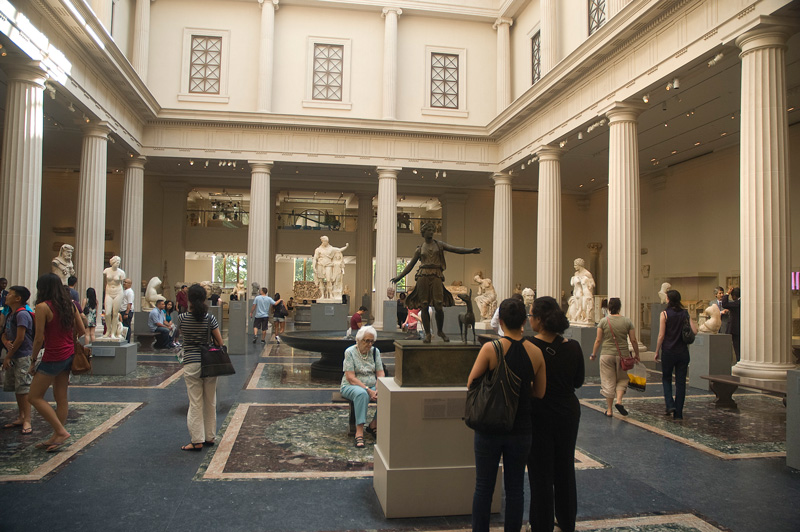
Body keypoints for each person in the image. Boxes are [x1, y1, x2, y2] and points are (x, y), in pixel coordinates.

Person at [468, 298, 546, 532]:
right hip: (521, 427)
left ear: (500, 321)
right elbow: (539, 392)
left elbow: (471, 382)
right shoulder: (536, 352)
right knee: (515, 489)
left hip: (490, 426)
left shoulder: (491, 349)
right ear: (524, 321)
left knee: (483, 486)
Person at [526, 297, 585, 532]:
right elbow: (579, 382)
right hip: (567, 412)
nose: (530, 320)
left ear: (539, 319)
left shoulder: (529, 346)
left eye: (531, 316)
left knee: (540, 471)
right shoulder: (572, 346)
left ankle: (540, 524)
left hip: (539, 412)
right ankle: (567, 521)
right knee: (564, 468)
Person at [390, 222, 481, 343]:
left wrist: (470, 251)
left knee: (438, 305)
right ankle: (427, 334)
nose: (431, 232)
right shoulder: (420, 248)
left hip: (436, 274)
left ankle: (440, 331)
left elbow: (455, 249)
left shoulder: (439, 245)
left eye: (432, 230)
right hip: (423, 275)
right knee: (424, 305)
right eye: (428, 230)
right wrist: (399, 277)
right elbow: (410, 266)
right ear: (423, 233)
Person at [27, 273, 86, 452]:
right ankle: (56, 436)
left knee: (33, 397)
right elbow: (82, 330)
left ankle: (60, 432)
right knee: (61, 398)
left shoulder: (42, 307)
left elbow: (38, 339)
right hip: (68, 355)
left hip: (53, 356)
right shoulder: (70, 305)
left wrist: (33, 360)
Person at [176, 284, 223, 451]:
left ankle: (196, 440)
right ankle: (210, 436)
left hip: (191, 361)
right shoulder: (210, 318)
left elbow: (183, 336)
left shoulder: (182, 318)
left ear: (189, 299)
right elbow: (220, 341)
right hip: (208, 361)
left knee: (195, 402)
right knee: (210, 401)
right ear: (204, 299)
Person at [589, 297, 640, 417]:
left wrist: (593, 354)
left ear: (609, 308)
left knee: (608, 381)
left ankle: (609, 410)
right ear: (619, 307)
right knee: (623, 379)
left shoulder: (603, 321)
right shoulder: (627, 321)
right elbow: (633, 339)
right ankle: (619, 400)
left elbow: (598, 340)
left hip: (606, 354)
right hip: (623, 355)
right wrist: (637, 354)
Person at [655, 289, 698, 420]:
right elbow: (695, 331)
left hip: (668, 351)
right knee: (681, 382)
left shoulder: (665, 314)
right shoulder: (685, 313)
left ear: (668, 299)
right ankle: (678, 412)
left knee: (666, 378)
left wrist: (657, 350)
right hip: (683, 352)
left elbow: (661, 335)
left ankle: (670, 404)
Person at [340, 325, 384, 448]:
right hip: (351, 385)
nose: (369, 344)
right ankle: (359, 431)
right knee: (362, 394)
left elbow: (380, 372)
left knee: (386, 394)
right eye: (366, 341)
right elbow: (350, 377)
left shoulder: (375, 352)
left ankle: (374, 424)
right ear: (359, 340)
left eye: (372, 341)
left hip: (372, 385)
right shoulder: (350, 352)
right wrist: (368, 390)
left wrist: (379, 388)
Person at [2, 286, 35, 435]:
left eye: (10, 294)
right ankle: (21, 416)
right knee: (17, 387)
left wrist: (8, 355)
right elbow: (4, 333)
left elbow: (21, 338)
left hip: (22, 355)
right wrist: (5, 342)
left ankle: (27, 419)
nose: (6, 296)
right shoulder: (10, 313)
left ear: (18, 298)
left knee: (23, 388)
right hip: (14, 354)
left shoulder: (22, 314)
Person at [102, 256, 126, 339]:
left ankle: (113, 333)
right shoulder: (106, 271)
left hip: (118, 292)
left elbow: (122, 281)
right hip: (109, 292)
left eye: (119, 262)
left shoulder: (121, 273)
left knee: (115, 314)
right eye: (116, 262)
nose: (117, 264)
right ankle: (108, 330)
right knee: (108, 313)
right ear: (112, 262)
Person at [720, 287, 741, 361]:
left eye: (732, 295)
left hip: (736, 329)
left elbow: (725, 304)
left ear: (734, 295)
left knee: (737, 349)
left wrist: (727, 294)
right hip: (739, 328)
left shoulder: (737, 303)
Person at [121, 278, 135, 343]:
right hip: (122, 310)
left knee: (126, 326)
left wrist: (126, 313)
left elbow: (129, 303)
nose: (124, 283)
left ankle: (127, 340)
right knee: (123, 326)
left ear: (130, 284)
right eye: (124, 282)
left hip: (126, 311)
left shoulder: (130, 292)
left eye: (126, 282)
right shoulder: (124, 291)